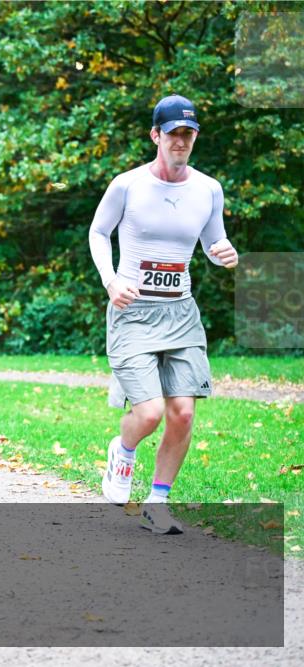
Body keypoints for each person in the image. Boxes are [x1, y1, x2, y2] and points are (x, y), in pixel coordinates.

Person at [89, 94, 239, 535]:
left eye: (187, 134)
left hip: (181, 313)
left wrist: (223, 253)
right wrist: (111, 280)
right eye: (173, 133)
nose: (180, 141)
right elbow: (99, 232)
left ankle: (158, 502)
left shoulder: (208, 189)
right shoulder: (128, 185)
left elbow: (214, 243)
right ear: (156, 135)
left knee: (184, 413)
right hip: (133, 311)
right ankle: (124, 449)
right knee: (150, 411)